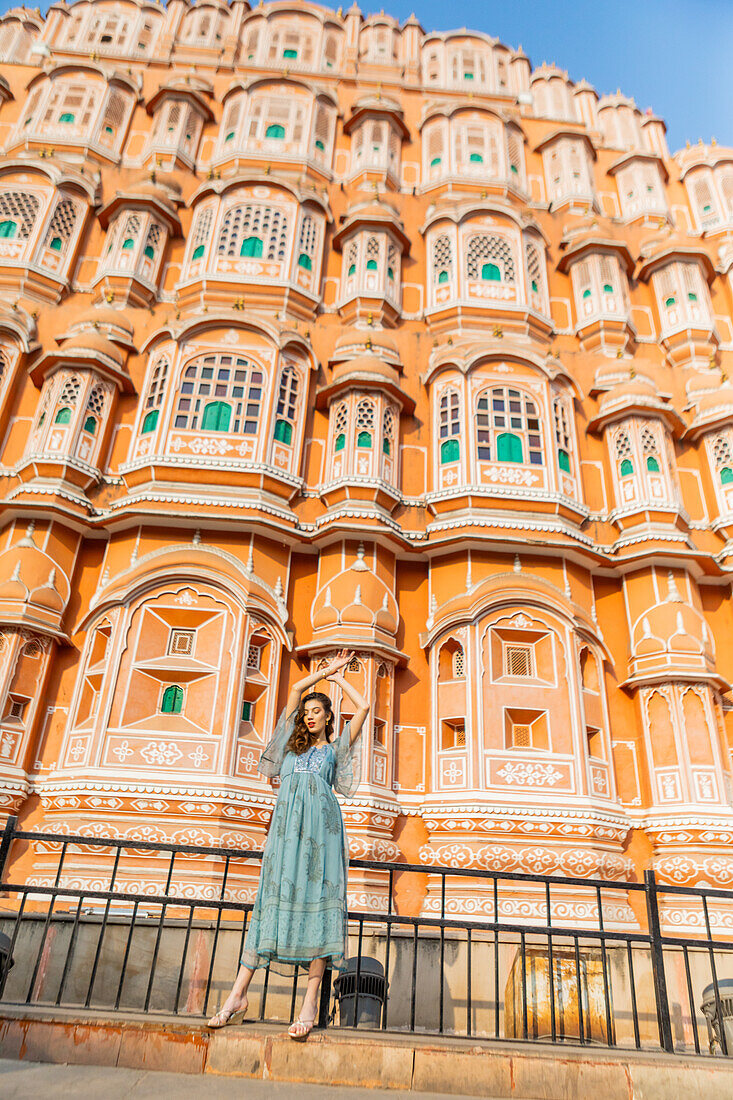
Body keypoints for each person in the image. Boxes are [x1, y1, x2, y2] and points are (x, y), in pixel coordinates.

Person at [207, 649, 369, 1041]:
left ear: (329, 716)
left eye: (317, 711)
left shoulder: (335, 749)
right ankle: (237, 996)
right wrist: (323, 672)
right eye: (306, 711)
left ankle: (310, 1001)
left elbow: (363, 706)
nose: (309, 715)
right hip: (285, 837)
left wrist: (339, 680)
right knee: (271, 905)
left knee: (318, 909)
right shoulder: (291, 748)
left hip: (324, 839)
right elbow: (295, 688)